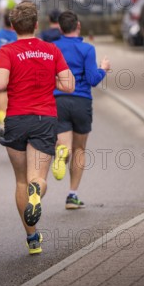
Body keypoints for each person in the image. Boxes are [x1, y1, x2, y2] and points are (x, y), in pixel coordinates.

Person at [0, 1, 74, 255]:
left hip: (16, 119)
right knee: (36, 178)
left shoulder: (7, 50)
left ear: (13, 26)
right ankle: (37, 190)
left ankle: (32, 238)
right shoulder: (51, 50)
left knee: (19, 181)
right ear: (36, 25)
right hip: (44, 119)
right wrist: (51, 79)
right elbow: (69, 85)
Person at [52, 11, 110, 209]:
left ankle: (61, 152)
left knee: (65, 146)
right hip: (81, 101)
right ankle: (72, 195)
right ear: (78, 25)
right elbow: (93, 79)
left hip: (58, 99)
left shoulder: (52, 48)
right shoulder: (87, 49)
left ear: (59, 28)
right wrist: (103, 68)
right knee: (79, 150)